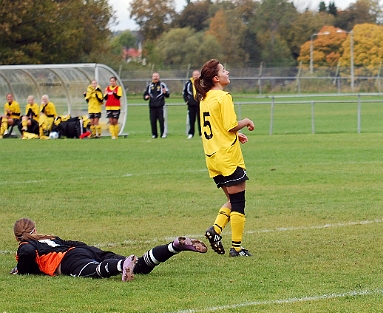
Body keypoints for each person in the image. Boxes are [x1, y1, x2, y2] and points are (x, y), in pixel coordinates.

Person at [10, 218, 207, 281]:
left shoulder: (26, 245)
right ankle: (173, 246)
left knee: (94, 272)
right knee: (140, 266)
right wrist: (89, 250)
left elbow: (27, 255)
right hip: (83, 250)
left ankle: (122, 265)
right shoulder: (49, 237)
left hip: (68, 260)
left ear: (16, 236)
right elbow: (75, 243)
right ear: (35, 229)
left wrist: (21, 269)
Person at [195, 59, 255, 257]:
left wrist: (236, 135)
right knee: (238, 203)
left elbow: (216, 127)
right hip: (228, 157)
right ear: (216, 78)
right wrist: (245, 122)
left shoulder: (205, 98)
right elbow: (229, 124)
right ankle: (236, 248)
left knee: (231, 200)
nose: (227, 72)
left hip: (213, 158)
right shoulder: (222, 97)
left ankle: (216, 230)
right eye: (223, 70)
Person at [143, 72, 169, 138]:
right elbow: (145, 95)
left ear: (159, 77)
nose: (155, 78)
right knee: (153, 121)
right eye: (154, 76)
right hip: (152, 106)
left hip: (160, 106)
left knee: (161, 121)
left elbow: (167, 94)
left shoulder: (162, 85)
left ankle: (163, 133)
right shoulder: (149, 86)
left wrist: (165, 92)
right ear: (152, 77)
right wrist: (146, 97)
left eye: (157, 76)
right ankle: (154, 134)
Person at [183, 69, 201, 139]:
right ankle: (191, 133)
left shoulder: (202, 83)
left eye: (197, 75)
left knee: (201, 120)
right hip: (191, 105)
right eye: (194, 75)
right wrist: (186, 100)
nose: (196, 76)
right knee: (191, 120)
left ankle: (201, 133)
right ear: (192, 76)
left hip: (200, 104)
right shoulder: (188, 83)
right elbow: (184, 93)